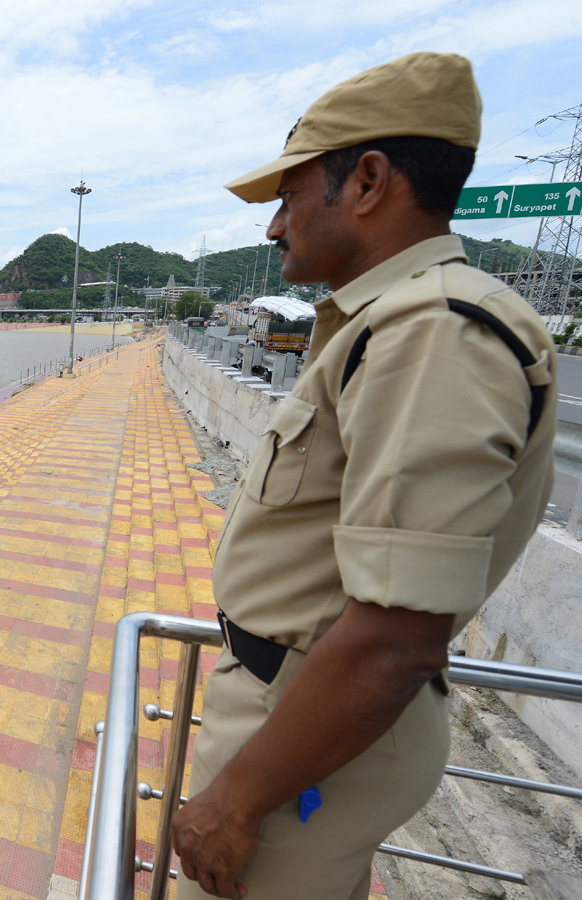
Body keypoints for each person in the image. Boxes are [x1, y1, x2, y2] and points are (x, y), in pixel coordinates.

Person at [170, 52, 557, 900]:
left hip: (299, 743)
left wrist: (233, 804)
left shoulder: (432, 333)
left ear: (369, 180)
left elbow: (393, 637)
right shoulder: (391, 323)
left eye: (289, 194)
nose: (274, 226)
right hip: (299, 721)